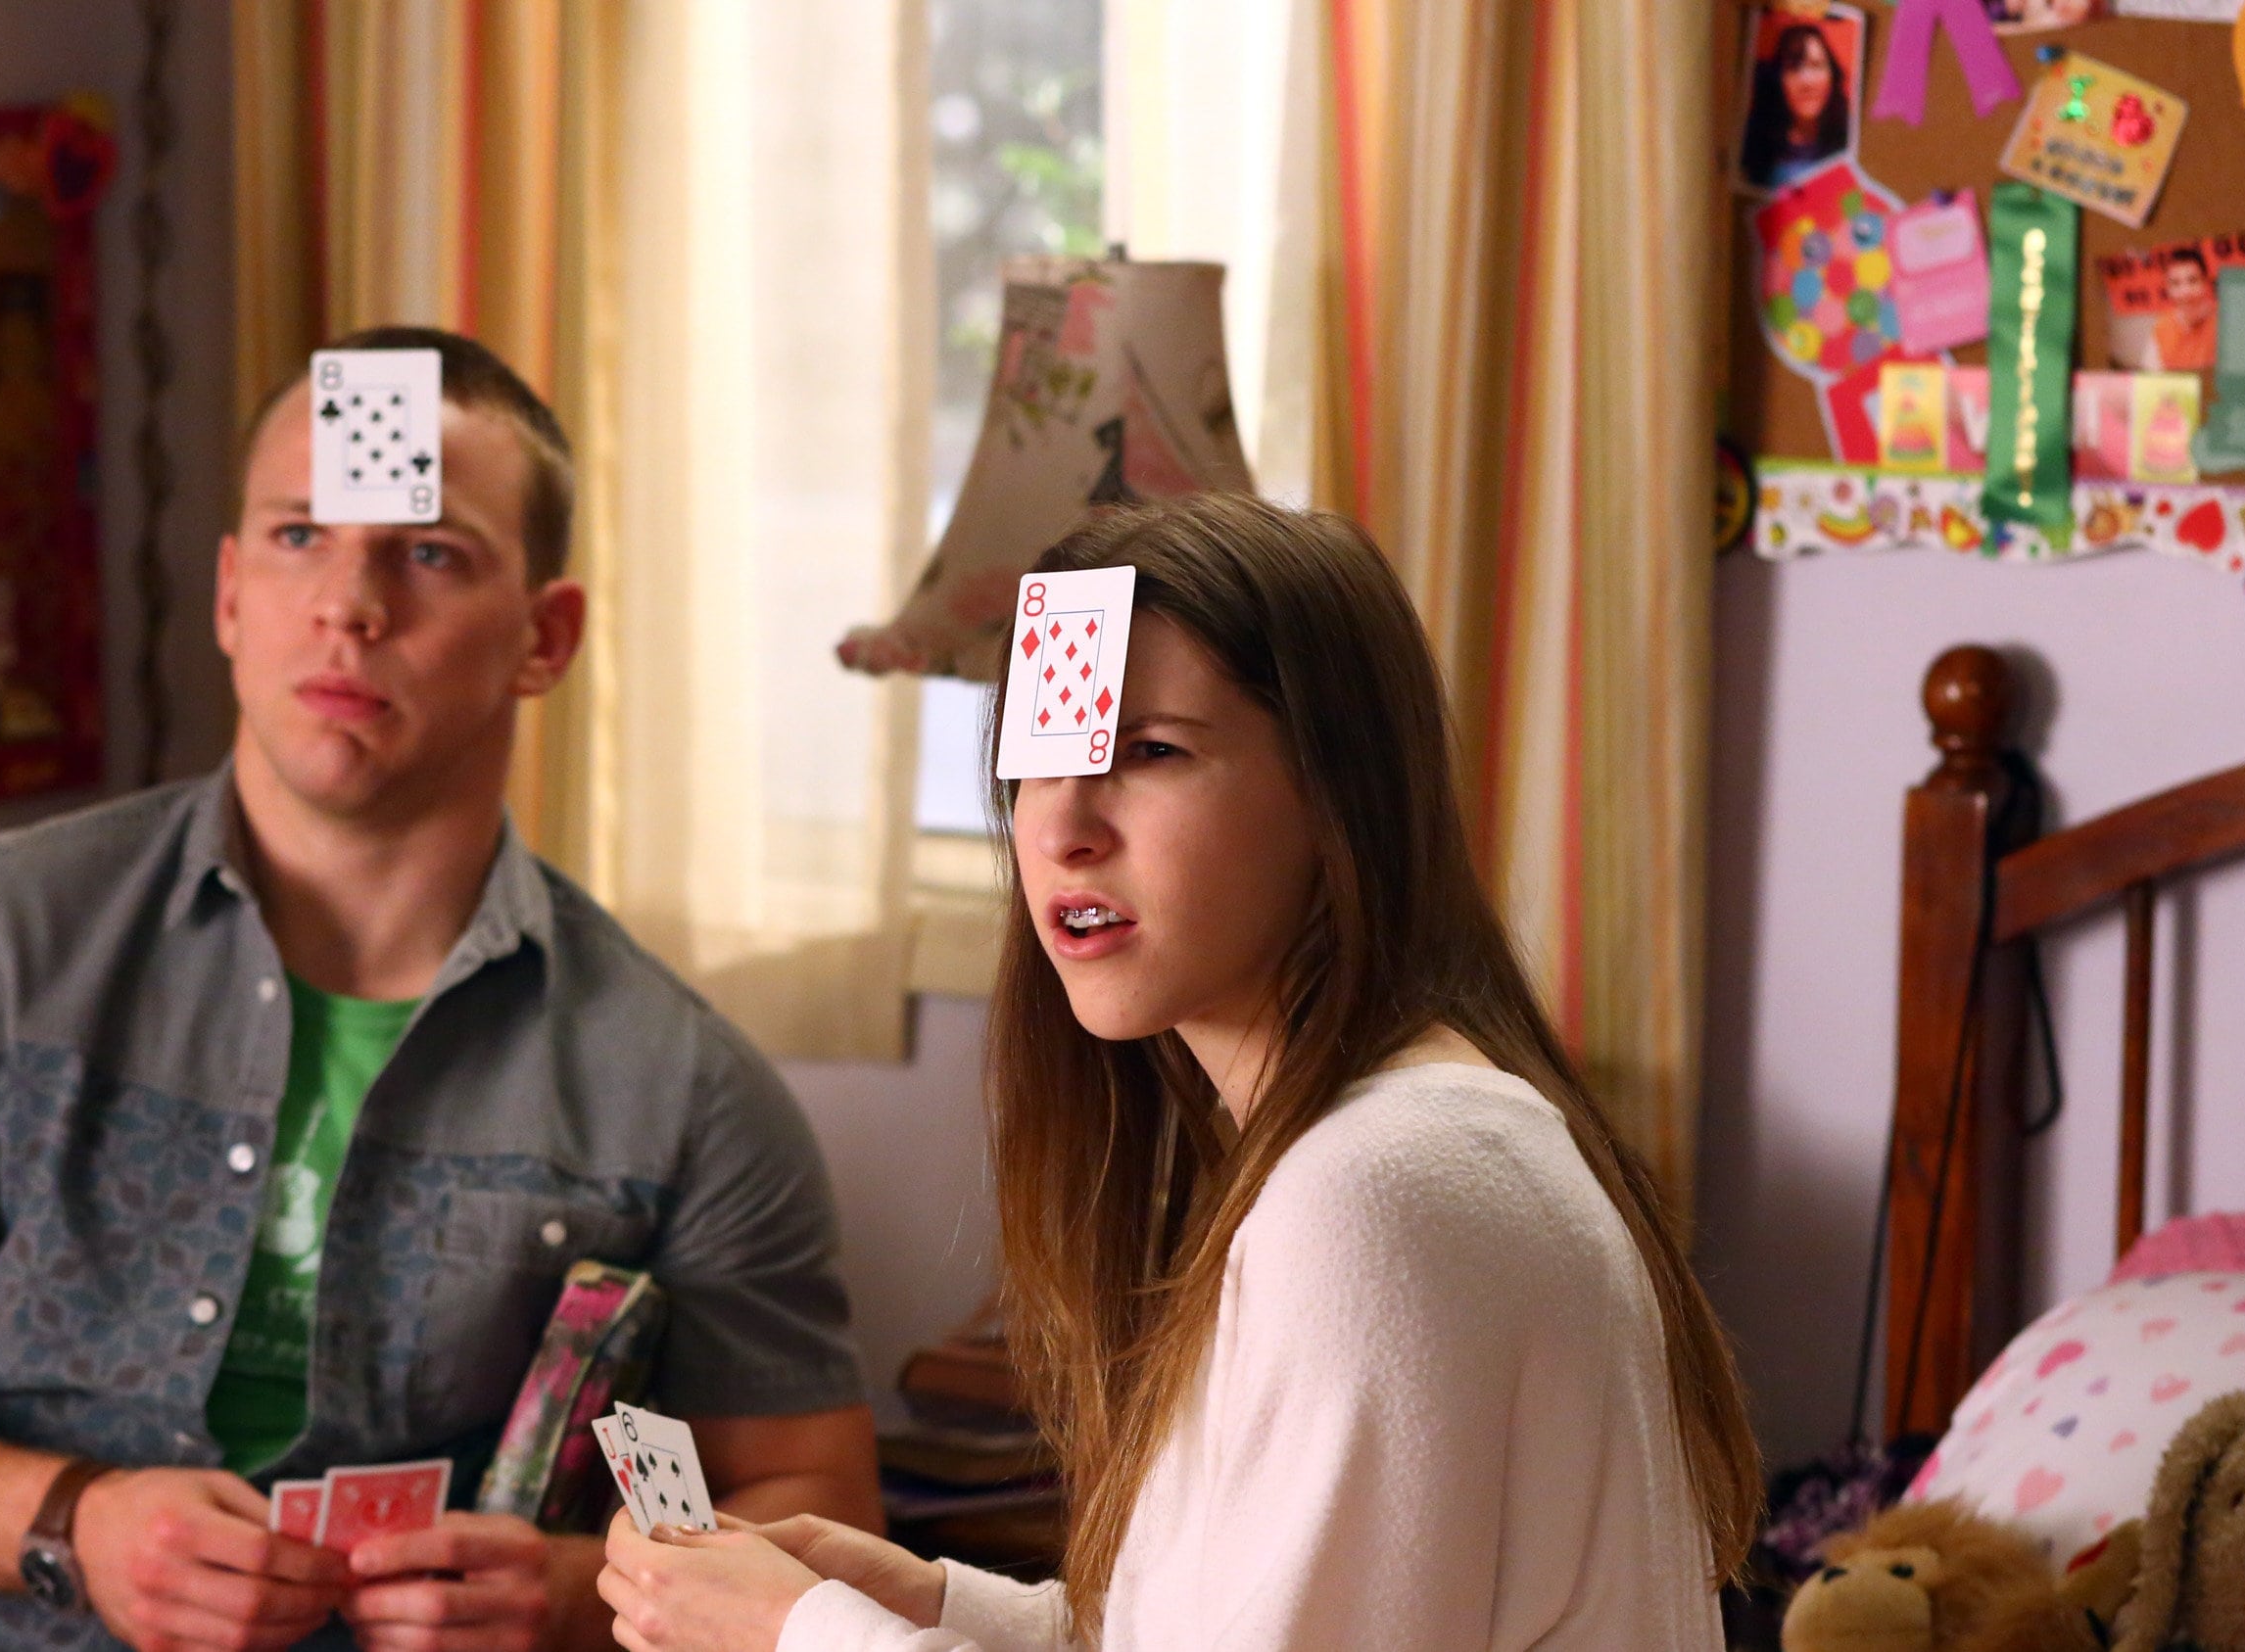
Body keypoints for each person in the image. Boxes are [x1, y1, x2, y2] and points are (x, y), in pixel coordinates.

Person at [0, 325, 884, 1652]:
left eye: (429, 553)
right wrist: (75, 1521)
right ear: (228, 595)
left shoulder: (680, 1090)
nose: (348, 605)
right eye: (299, 536)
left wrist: (569, 1596)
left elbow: (815, 1497)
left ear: (545, 637)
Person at [597, 496, 1763, 1652]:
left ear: (1339, 794)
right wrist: (925, 1601)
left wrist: (797, 1634)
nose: (1063, 829)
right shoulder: (1399, 1139)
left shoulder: (1376, 1191)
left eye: (1151, 750)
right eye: (1035, 763)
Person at [1740, 22, 1850, 193]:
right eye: (1793, 68)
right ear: (1778, 80)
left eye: (1816, 65)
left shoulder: (1848, 143)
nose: (1806, 81)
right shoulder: (1754, 147)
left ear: (1832, 76)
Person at [2149, 248, 2220, 373]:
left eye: (2193, 281)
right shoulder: (2161, 327)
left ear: (2205, 282)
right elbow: (2151, 376)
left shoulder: (2227, 320)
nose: (2185, 292)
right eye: (2175, 283)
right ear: (2168, 289)